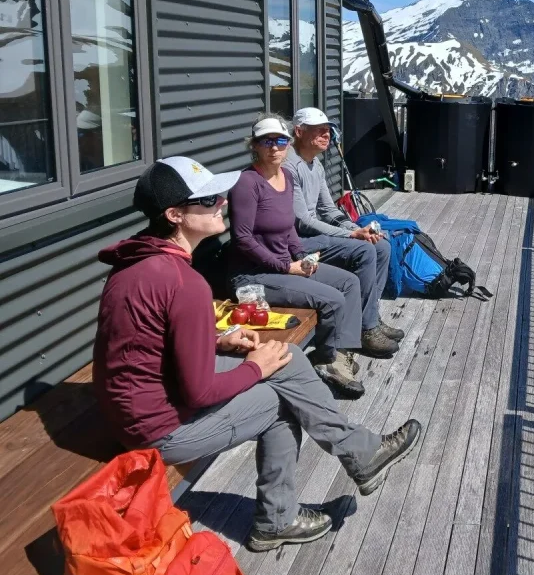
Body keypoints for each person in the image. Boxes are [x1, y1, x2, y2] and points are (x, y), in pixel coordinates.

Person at [92, 155, 421, 552]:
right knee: (280, 401)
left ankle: (359, 454)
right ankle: (277, 519)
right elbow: (197, 393)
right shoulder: (184, 283)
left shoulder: (138, 264)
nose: (223, 203)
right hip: (157, 429)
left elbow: (148, 341)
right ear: (175, 214)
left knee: (284, 353)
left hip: (135, 402)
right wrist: (252, 367)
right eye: (209, 200)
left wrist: (217, 340)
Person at [226, 115, 396, 401]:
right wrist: (286, 266)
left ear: (288, 142)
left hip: (285, 262)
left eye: (280, 141)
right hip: (254, 273)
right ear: (254, 145)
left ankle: (341, 351)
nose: (274, 147)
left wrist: (303, 256)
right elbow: (242, 239)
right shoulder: (247, 183)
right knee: (333, 299)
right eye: (266, 141)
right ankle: (327, 360)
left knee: (350, 282)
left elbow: (290, 228)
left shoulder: (286, 176)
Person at [284, 107, 404, 347]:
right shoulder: (289, 166)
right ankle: (366, 328)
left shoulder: (315, 164)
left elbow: (328, 209)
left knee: (380, 245)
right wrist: (351, 234)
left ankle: (369, 317)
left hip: (315, 234)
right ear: (299, 131)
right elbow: (302, 221)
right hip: (298, 241)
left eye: (328, 131)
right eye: (319, 130)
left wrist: (357, 229)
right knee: (365, 250)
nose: (327, 135)